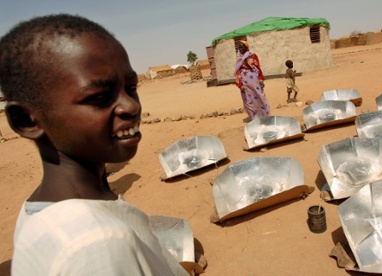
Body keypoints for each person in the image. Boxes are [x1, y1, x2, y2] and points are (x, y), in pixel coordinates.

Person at [0, 14, 189, 275]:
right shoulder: (97, 245)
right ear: (27, 121)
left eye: (131, 87)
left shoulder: (40, 207)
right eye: (99, 97)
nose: (131, 106)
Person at [235, 40, 271, 121]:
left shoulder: (253, 56)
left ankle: (265, 116)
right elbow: (238, 72)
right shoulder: (239, 60)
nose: (240, 48)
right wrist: (240, 86)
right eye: (239, 47)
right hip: (245, 84)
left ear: (246, 47)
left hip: (255, 82)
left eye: (242, 46)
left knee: (260, 98)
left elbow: (258, 68)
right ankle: (254, 118)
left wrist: (261, 80)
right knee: (248, 102)